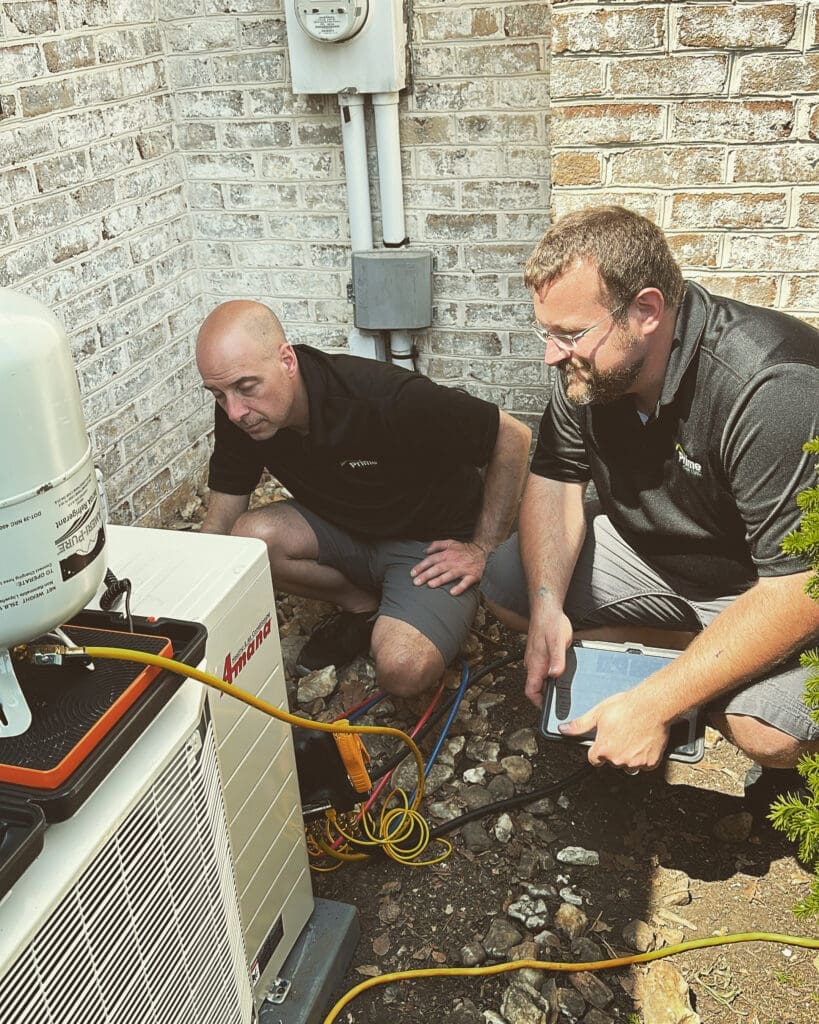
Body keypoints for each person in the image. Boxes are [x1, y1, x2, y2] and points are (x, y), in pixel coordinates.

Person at [481, 205, 819, 801]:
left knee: (763, 728)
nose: (552, 355)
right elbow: (557, 478)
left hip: (772, 586)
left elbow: (799, 587)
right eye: (547, 333)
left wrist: (657, 702)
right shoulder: (591, 375)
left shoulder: (770, 388)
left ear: (646, 311)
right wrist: (547, 606)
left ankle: (721, 696)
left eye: (571, 334)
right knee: (511, 583)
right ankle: (698, 666)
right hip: (666, 564)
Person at [196, 300, 531, 698]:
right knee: (249, 540)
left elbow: (513, 438)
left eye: (246, 388)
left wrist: (483, 549)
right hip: (344, 529)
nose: (235, 411)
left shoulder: (383, 397)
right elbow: (219, 525)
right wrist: (190, 620)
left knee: (402, 671)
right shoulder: (241, 415)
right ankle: (361, 606)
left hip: (428, 549)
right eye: (218, 394)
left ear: (287, 361)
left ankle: (415, 607)